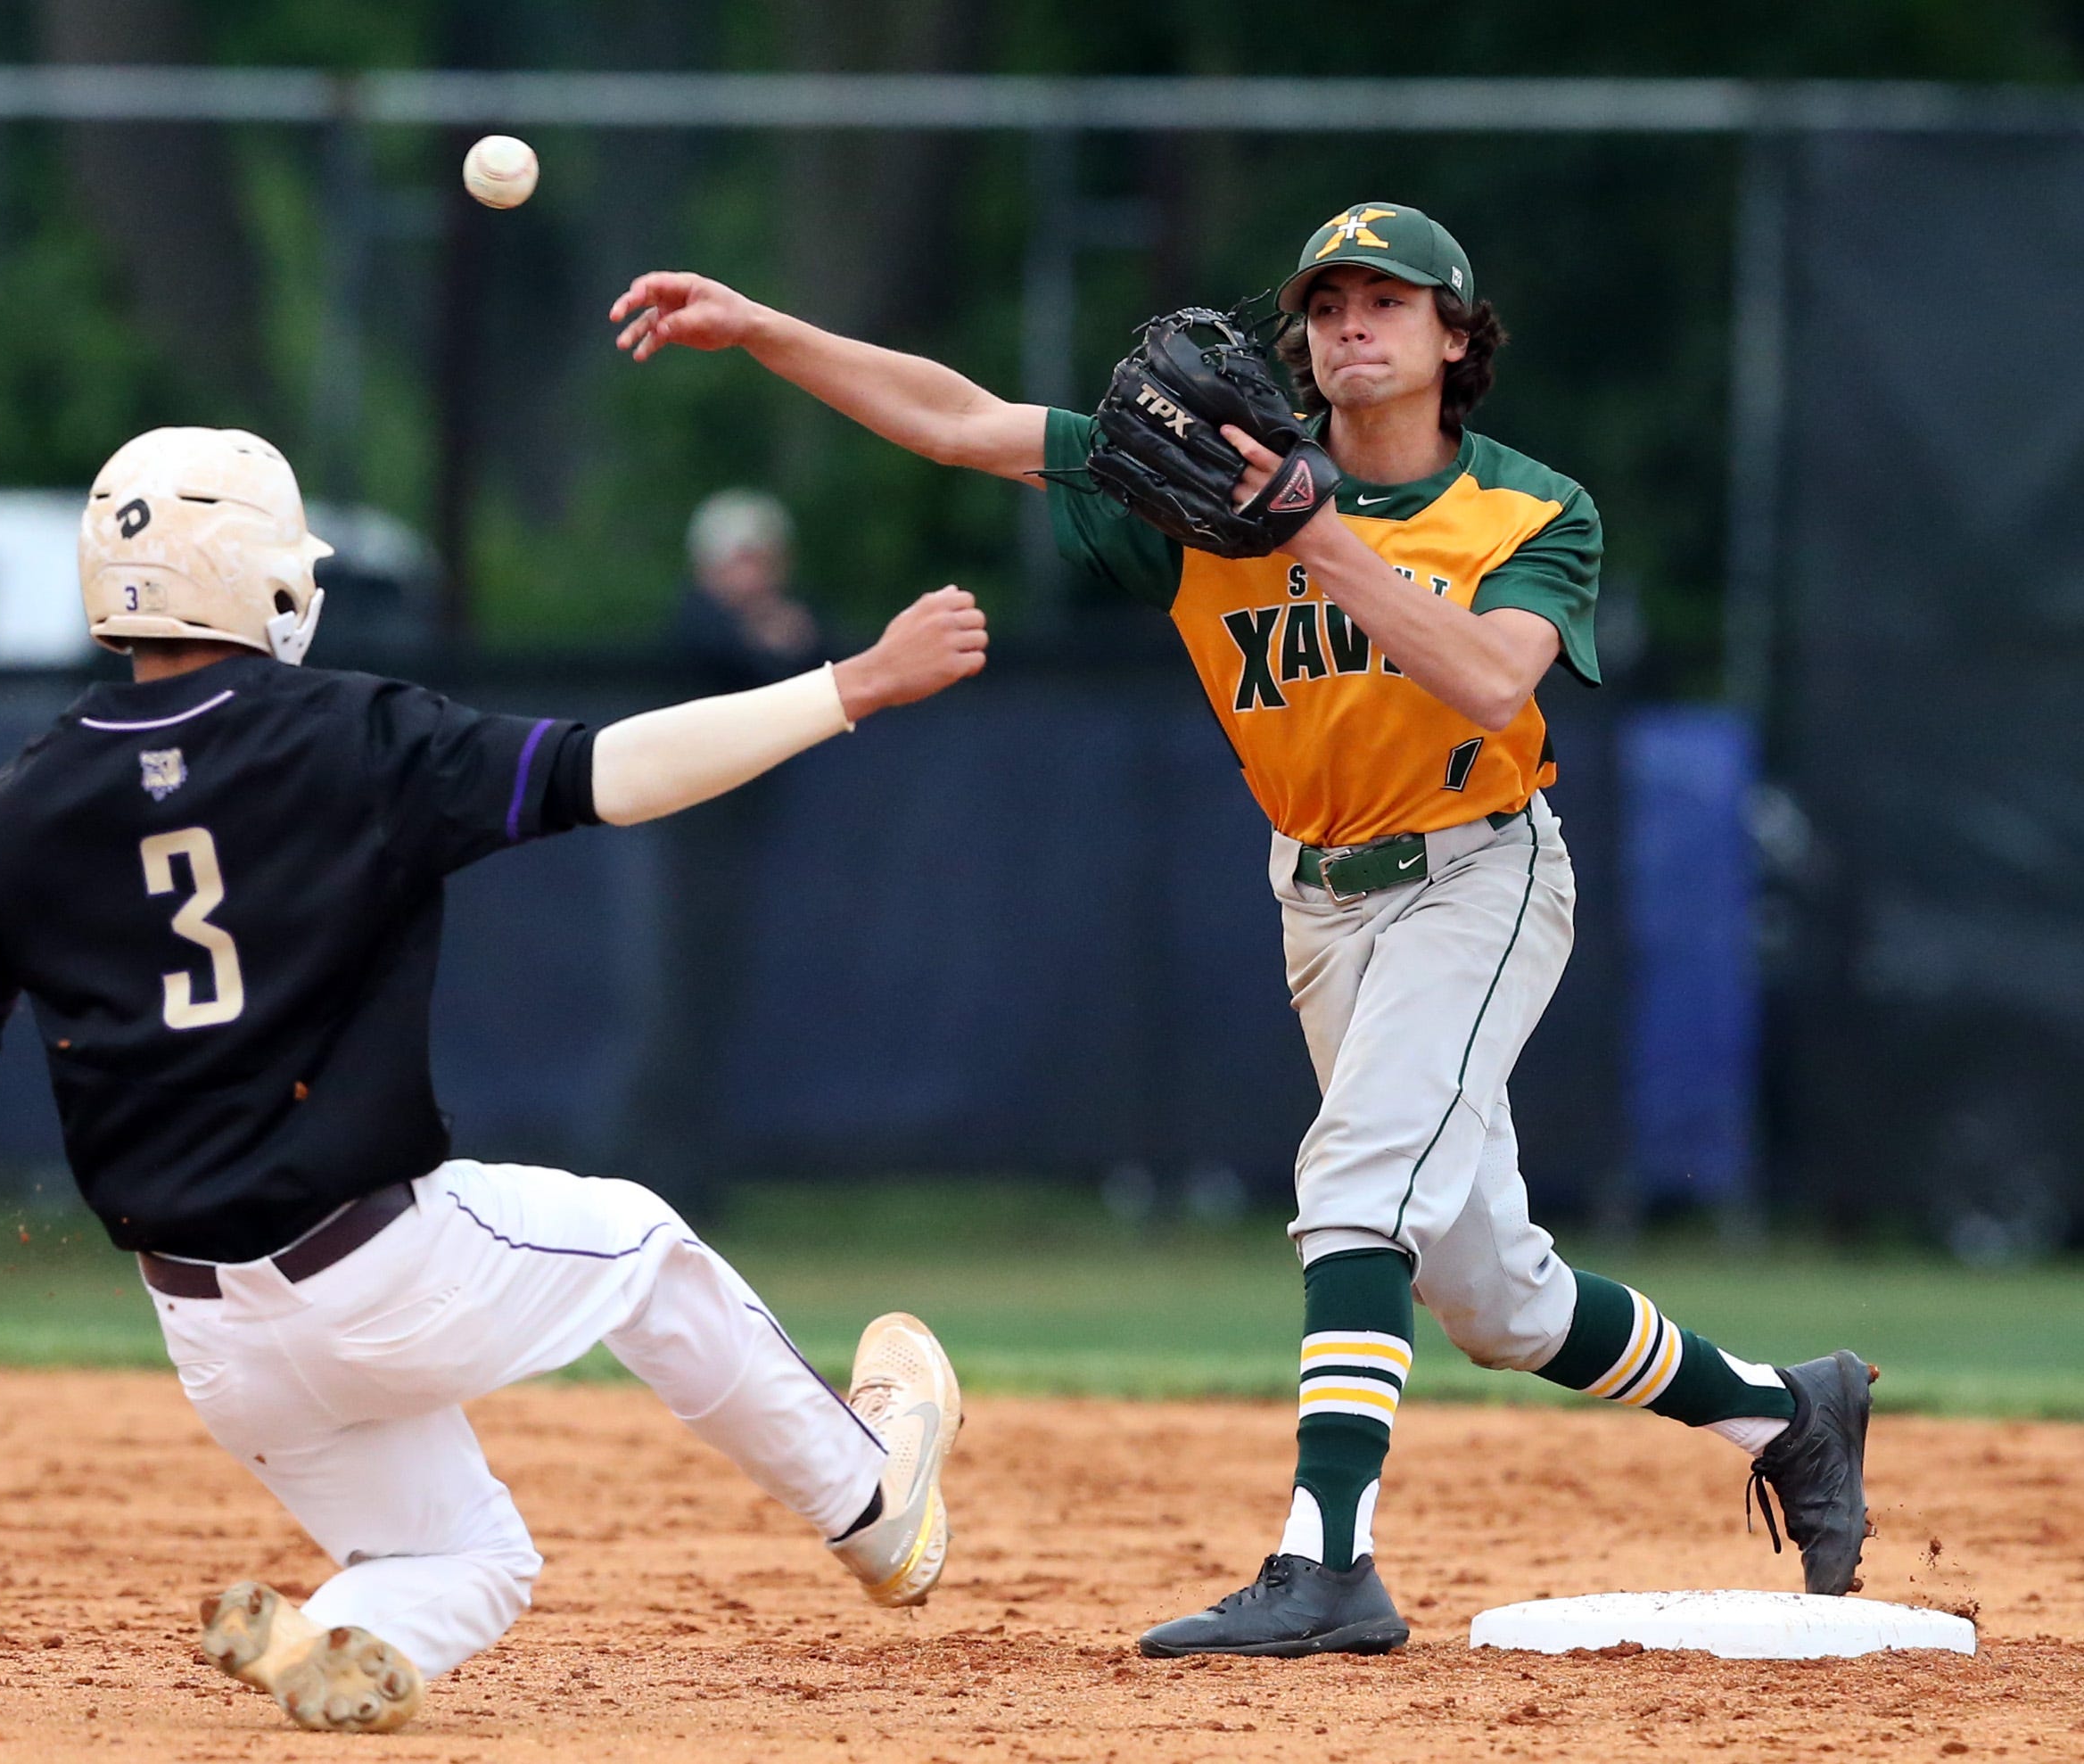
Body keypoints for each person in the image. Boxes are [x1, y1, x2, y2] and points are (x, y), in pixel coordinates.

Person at [609, 202, 1872, 1660]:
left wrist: (1312, 535)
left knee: (1354, 1180)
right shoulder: (1202, 495)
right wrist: (764, 327)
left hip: (1478, 874)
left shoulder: (1529, 511)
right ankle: (1789, 1409)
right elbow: (959, 421)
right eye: (1328, 302)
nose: (1350, 323)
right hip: (1320, 895)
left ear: (1452, 341)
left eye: (1388, 303)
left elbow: (1484, 679)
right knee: (1492, 1294)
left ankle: (1325, 1558)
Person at [0, 427, 984, 1730]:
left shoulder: (28, 795)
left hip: (209, 1336)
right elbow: (608, 775)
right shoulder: (349, 733)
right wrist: (852, 683)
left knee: (467, 1558)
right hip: (378, 1267)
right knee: (646, 1246)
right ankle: (870, 1502)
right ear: (255, 576)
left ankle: (335, 1634)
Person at [671, 488, 828, 690]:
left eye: (767, 562)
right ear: (706, 568)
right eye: (744, 561)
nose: (755, 576)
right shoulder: (690, 638)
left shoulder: (808, 624)